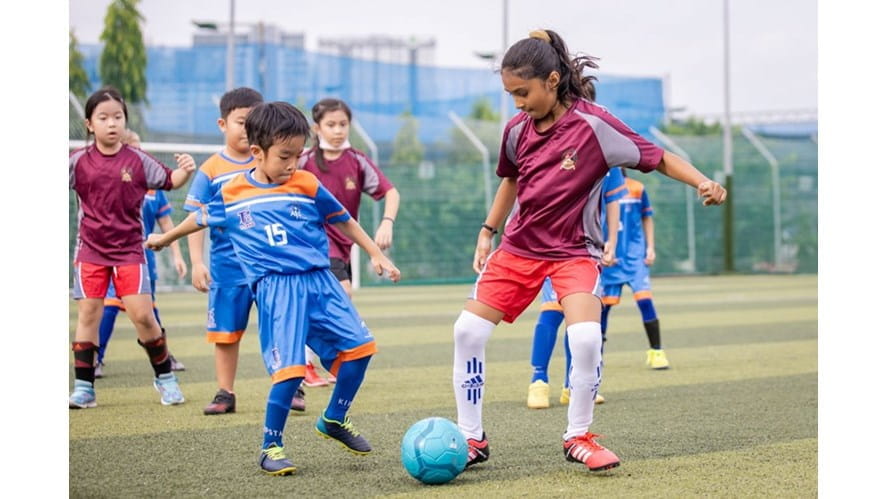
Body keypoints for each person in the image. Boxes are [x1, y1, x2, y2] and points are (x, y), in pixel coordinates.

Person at [451, 29, 726, 472]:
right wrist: (488, 230)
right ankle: (471, 438)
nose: (517, 103)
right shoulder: (516, 130)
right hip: (519, 248)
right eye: (510, 94)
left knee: (584, 337)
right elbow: (511, 180)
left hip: (574, 254)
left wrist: (703, 181)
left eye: (523, 92)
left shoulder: (595, 125)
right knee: (467, 332)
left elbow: (657, 157)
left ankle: (577, 436)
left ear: (552, 80)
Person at [146, 101, 401, 476]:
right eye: (284, 156)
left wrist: (375, 253)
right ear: (257, 152)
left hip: (320, 282)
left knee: (361, 349)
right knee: (290, 371)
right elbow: (198, 218)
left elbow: (344, 220)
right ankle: (271, 447)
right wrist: (165, 238)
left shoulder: (307, 184)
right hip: (277, 290)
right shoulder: (232, 192)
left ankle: (334, 417)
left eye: (298, 155)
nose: (293, 164)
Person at [183, 88, 309, 414]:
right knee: (226, 333)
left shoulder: (275, 163)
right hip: (228, 268)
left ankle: (290, 387)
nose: (247, 128)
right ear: (223, 124)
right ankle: (225, 393)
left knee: (282, 325)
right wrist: (196, 262)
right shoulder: (211, 170)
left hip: (271, 266)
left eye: (253, 121)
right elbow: (196, 217)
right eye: (241, 121)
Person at [69, 86, 196, 408]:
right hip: (90, 251)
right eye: (103, 117)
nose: (112, 123)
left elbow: (171, 180)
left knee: (143, 316)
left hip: (129, 251)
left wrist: (185, 170)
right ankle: (84, 388)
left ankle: (165, 378)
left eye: (118, 117)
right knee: (88, 314)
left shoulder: (137, 160)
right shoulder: (78, 161)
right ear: (89, 124)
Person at [298, 98, 401, 389]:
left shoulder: (356, 161)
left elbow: (391, 192)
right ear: (316, 128)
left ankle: (322, 360)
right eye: (331, 125)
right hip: (313, 243)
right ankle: (309, 363)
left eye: (343, 124)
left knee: (336, 301)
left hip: (344, 246)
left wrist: (387, 222)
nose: (338, 130)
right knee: (341, 294)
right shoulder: (303, 161)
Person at [526, 167, 626, 409]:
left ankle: (572, 386)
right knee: (551, 311)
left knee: (580, 320)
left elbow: (612, 200)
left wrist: (611, 242)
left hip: (588, 251)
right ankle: (538, 381)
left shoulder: (609, 158)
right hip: (553, 246)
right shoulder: (557, 153)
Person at [95, 130, 187, 377]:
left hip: (145, 260)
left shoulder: (154, 186)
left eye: (140, 149)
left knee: (149, 312)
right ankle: (96, 358)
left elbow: (166, 223)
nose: (139, 155)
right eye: (133, 150)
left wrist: (177, 255)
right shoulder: (108, 179)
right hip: (114, 256)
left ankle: (164, 357)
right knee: (110, 306)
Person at [599, 168, 670, 369]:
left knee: (645, 301)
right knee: (602, 308)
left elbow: (647, 217)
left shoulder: (637, 188)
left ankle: (657, 352)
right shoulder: (598, 189)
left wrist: (650, 247)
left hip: (634, 258)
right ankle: (596, 357)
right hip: (608, 259)